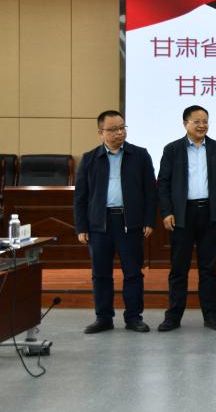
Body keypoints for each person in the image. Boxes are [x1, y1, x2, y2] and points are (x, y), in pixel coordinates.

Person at [74, 110, 156, 334]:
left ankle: (133, 317)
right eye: (113, 129)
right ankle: (103, 318)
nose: (120, 133)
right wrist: (81, 227)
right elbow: (81, 196)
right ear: (100, 133)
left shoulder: (140, 155)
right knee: (101, 274)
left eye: (122, 128)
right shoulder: (90, 158)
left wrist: (149, 220)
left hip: (130, 223)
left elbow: (150, 191)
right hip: (99, 224)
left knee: (133, 273)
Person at [157, 105, 216, 332]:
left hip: (210, 213)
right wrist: (167, 212)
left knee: (208, 268)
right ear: (185, 123)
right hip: (183, 214)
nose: (202, 126)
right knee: (179, 268)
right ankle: (173, 317)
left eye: (205, 121)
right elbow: (163, 184)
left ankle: (211, 315)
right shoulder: (172, 149)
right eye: (197, 121)